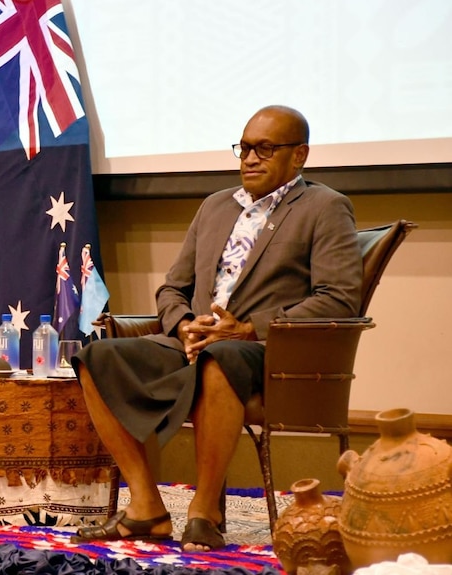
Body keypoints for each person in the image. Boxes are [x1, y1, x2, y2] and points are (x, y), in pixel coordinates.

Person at [70, 105, 362, 551]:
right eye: (244, 148)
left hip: (267, 352)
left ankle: (204, 513)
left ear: (299, 155)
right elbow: (172, 288)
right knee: (96, 355)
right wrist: (184, 323)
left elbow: (338, 298)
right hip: (195, 343)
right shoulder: (215, 206)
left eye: (265, 149)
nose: (250, 158)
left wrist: (247, 328)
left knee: (220, 356)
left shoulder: (325, 207)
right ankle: (146, 506)